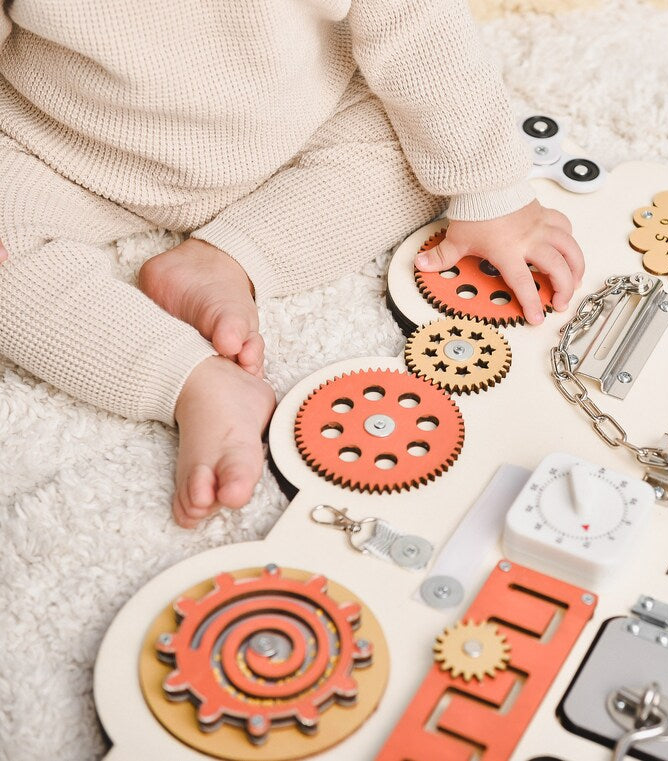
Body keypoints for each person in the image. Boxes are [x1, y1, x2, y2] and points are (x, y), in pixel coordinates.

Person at [0, 1, 583, 528]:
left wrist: (490, 190)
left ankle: (230, 257)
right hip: (63, 145)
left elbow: (416, 24)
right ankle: (192, 380)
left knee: (427, 158)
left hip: (301, 117)